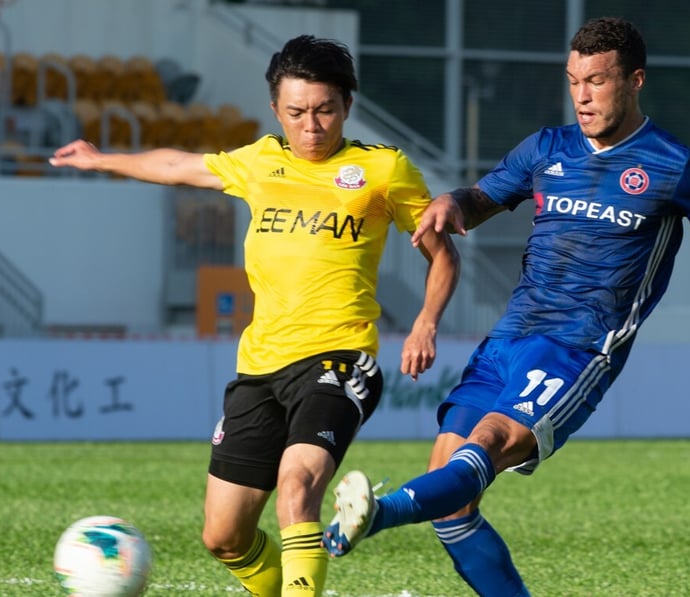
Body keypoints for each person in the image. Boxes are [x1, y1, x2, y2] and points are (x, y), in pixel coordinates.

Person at [320, 17, 690, 596]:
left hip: (580, 347)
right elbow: (480, 199)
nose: (582, 95)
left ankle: (378, 514)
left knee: (487, 442)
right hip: (509, 336)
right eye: (573, 81)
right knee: (451, 501)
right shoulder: (546, 148)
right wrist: (450, 203)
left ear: (635, 80)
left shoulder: (674, 164)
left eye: (596, 80)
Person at [49, 35, 460, 597]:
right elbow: (177, 165)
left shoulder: (383, 171)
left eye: (324, 111)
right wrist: (102, 159)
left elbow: (443, 254)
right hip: (260, 369)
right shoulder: (260, 161)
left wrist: (425, 321)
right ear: (276, 110)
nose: (311, 126)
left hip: (340, 359)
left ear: (347, 105)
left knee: (297, 489)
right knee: (223, 537)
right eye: (296, 113)